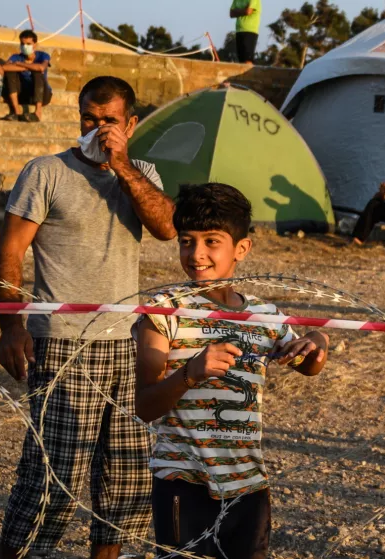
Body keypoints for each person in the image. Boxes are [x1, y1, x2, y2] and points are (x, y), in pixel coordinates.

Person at [0, 76, 176, 559]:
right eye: (89, 121)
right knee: (53, 476)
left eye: (109, 121)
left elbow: (166, 227)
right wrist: (11, 325)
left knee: (127, 479)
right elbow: (10, 251)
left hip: (128, 346)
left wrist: (122, 166)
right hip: (64, 342)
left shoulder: (142, 174)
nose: (97, 129)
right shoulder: (45, 172)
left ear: (130, 124)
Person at [134, 183, 329, 559]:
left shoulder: (265, 316)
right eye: (186, 241)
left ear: (241, 248)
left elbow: (310, 365)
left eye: (212, 242)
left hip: (248, 486)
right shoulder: (163, 312)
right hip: (183, 483)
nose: (196, 254)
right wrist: (191, 372)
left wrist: (317, 341)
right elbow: (145, 405)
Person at [1, 30, 53, 122]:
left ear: (35, 45)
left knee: (37, 73)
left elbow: (41, 68)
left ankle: (37, 113)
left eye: (28, 44)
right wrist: (25, 68)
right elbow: (4, 67)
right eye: (22, 44)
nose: (25, 46)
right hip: (24, 93)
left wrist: (21, 64)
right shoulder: (16, 57)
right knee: (10, 73)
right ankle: (16, 111)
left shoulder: (43, 56)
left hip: (42, 94)